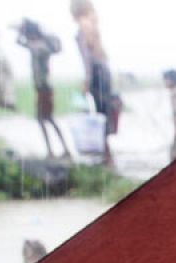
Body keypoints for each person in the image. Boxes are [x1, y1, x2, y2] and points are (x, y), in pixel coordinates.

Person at [71, 0, 118, 166]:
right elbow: (101, 54)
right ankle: (106, 154)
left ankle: (107, 156)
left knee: (100, 113)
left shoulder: (84, 26)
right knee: (103, 113)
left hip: (96, 73)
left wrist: (87, 80)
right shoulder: (92, 24)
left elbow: (88, 57)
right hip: (103, 72)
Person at [16, 19, 70, 158]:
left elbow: (21, 43)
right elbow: (20, 43)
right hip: (42, 89)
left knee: (45, 119)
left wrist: (20, 31)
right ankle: (58, 149)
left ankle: (54, 151)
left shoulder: (39, 47)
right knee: (47, 119)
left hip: (43, 88)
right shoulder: (42, 45)